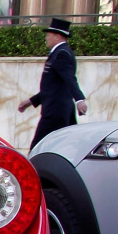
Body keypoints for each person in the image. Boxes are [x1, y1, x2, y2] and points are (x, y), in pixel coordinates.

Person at [18, 17, 88, 147]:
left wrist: (79, 99)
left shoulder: (62, 54)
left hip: (55, 111)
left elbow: (69, 78)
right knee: (62, 147)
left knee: (38, 146)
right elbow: (53, 86)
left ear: (57, 36)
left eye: (49, 35)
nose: (46, 38)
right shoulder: (58, 53)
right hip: (58, 109)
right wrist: (31, 101)